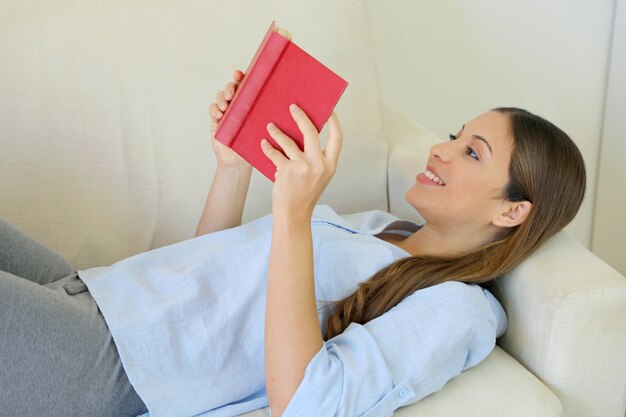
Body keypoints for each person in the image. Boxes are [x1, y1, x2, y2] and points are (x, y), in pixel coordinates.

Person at [0, 69, 586, 417]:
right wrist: (232, 169)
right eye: (456, 136)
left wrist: (293, 215)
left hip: (108, 362)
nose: (440, 149)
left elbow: (308, 406)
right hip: (102, 291)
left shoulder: (458, 308)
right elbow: (210, 280)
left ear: (512, 209)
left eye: (471, 153)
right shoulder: (380, 226)